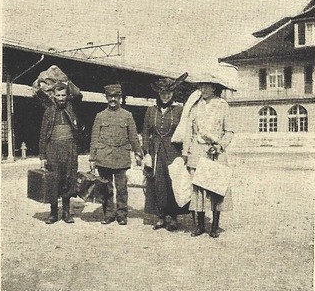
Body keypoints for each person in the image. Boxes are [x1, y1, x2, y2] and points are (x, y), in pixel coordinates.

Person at [177, 75, 235, 238]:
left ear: (214, 87)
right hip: (197, 151)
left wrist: (219, 145)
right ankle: (200, 225)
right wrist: (185, 151)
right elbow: (189, 131)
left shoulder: (222, 106)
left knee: (215, 189)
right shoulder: (195, 107)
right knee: (198, 189)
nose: (202, 89)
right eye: (200, 86)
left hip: (214, 152)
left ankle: (215, 226)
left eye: (206, 86)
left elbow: (229, 131)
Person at [89, 83, 143, 226]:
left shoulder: (127, 116)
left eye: (116, 96)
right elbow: (94, 137)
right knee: (105, 187)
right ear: (106, 97)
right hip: (104, 157)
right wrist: (92, 157)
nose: (113, 99)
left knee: (121, 188)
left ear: (120, 98)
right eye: (110, 96)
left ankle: (121, 214)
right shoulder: (100, 116)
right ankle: (108, 214)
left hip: (121, 157)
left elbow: (133, 136)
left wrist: (138, 153)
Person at [33, 68, 81, 225]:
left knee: (68, 179)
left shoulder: (71, 106)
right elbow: (42, 135)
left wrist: (66, 82)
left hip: (69, 148)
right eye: (58, 95)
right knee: (54, 181)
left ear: (67, 96)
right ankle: (53, 213)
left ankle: (66, 213)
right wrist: (42, 157)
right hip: (53, 149)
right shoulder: (49, 111)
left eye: (63, 95)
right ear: (53, 95)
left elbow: (77, 93)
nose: (61, 98)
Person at [142, 74, 188, 232]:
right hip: (156, 152)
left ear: (173, 94)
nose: (165, 96)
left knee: (172, 183)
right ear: (158, 94)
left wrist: (184, 153)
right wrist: (146, 153)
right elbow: (145, 133)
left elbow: (185, 132)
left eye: (168, 93)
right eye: (162, 93)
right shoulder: (150, 110)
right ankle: (160, 216)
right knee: (157, 183)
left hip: (173, 151)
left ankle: (173, 217)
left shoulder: (179, 110)